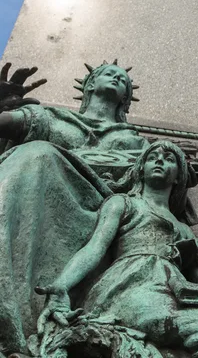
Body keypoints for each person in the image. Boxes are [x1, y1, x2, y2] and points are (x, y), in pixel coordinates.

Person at [36, 141, 198, 357]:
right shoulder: (123, 203)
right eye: (152, 158)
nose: (159, 161)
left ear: (178, 176)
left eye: (168, 159)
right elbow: (94, 248)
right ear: (140, 169)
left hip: (178, 293)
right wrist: (61, 286)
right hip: (131, 287)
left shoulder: (185, 230)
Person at [0, 61, 149, 354]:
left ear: (125, 100)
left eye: (123, 80)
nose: (117, 78)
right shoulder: (51, 119)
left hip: (104, 211)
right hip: (39, 196)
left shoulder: (137, 143)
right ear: (89, 85)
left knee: (38, 154)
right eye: (109, 74)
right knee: (35, 155)